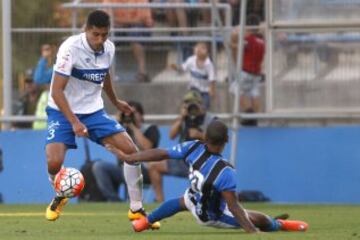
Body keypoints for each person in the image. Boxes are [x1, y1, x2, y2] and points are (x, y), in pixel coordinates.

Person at [44, 10, 160, 229]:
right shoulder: (70, 49)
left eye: (104, 35)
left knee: (132, 153)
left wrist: (115, 101)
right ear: (86, 30)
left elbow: (104, 74)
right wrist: (75, 122)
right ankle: (60, 192)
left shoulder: (109, 48)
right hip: (61, 110)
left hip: (93, 111)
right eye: (95, 35)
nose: (100, 40)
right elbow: (57, 91)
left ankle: (136, 209)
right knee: (54, 162)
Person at [106, 120, 309, 233]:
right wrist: (251, 230)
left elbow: (161, 152)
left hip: (192, 198)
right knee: (258, 218)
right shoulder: (225, 171)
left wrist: (131, 157)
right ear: (226, 140)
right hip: (211, 215)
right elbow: (234, 207)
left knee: (178, 202)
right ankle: (278, 225)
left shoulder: (193, 146)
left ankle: (144, 222)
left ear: (205, 137)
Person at [147, 91, 215, 202]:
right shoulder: (184, 118)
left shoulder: (210, 119)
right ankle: (159, 202)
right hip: (182, 160)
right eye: (187, 103)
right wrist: (181, 117)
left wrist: (200, 135)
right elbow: (171, 135)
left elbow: (216, 140)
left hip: (202, 161)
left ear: (201, 104)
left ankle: (201, 203)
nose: (191, 106)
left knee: (202, 191)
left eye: (194, 103)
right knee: (153, 166)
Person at [92, 101, 160, 201]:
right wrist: (116, 123)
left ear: (141, 115)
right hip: (123, 169)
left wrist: (133, 126)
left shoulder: (150, 129)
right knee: (99, 166)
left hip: (144, 171)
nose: (129, 115)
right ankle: (115, 201)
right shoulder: (121, 130)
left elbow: (147, 147)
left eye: (133, 112)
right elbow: (109, 145)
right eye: (126, 112)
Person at [104, 0, 154, 82]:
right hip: (119, 27)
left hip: (141, 27)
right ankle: (108, 74)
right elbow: (106, 17)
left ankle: (142, 72)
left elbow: (141, 20)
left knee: (134, 32)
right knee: (104, 34)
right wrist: (116, 22)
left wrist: (118, 21)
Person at [230, 15, 265, 117]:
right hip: (256, 72)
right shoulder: (262, 41)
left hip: (246, 71)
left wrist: (232, 44)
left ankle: (249, 111)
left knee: (235, 89)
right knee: (254, 92)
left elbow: (238, 44)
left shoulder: (249, 40)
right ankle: (257, 116)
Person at [171, 42, 216, 109]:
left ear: (207, 52)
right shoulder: (191, 60)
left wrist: (212, 90)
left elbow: (212, 79)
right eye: (197, 47)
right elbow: (183, 68)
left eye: (202, 48)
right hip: (193, 89)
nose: (199, 49)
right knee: (190, 104)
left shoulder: (208, 64)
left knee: (204, 107)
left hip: (205, 91)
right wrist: (176, 68)